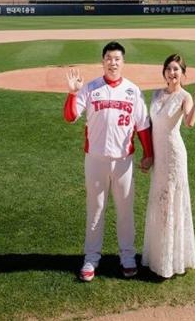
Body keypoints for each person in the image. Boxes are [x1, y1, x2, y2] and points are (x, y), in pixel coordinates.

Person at [63, 41, 153, 282]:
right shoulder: (91, 88)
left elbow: (143, 126)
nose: (113, 62)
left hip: (124, 161)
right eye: (109, 58)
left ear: (123, 62)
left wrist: (148, 153)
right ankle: (91, 259)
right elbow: (70, 117)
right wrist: (72, 92)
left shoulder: (133, 91)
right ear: (102, 61)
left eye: (117, 59)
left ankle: (127, 257)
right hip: (95, 160)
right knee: (96, 211)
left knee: (125, 211)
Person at [142, 53, 195, 278]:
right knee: (160, 203)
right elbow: (150, 126)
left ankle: (172, 259)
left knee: (172, 202)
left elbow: (190, 122)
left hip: (174, 156)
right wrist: (149, 155)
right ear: (164, 72)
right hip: (159, 157)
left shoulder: (185, 96)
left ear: (183, 74)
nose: (172, 73)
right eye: (169, 69)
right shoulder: (155, 94)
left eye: (177, 70)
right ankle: (158, 254)